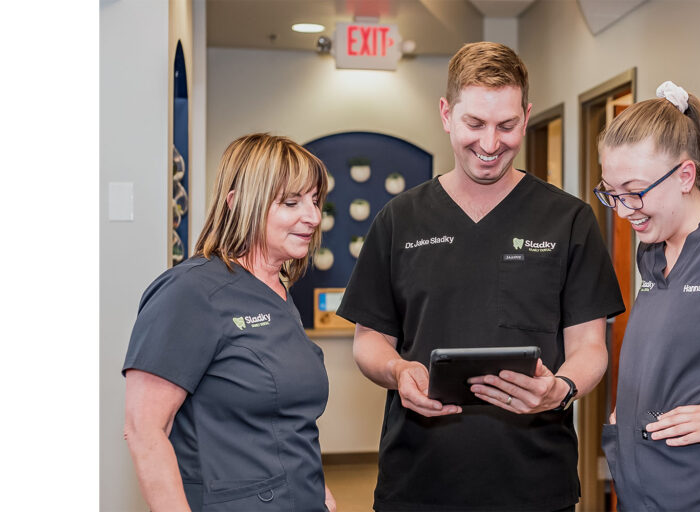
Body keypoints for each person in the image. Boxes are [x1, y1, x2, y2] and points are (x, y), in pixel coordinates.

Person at [336, 41, 625, 511]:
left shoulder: (568, 221)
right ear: (447, 114)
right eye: (475, 124)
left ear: (526, 116)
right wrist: (399, 370)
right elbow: (369, 341)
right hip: (417, 484)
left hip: (535, 486)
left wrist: (562, 387)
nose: (490, 144)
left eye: (506, 125)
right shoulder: (399, 220)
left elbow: (590, 346)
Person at [122, 133, 337, 512]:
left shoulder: (279, 292)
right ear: (238, 204)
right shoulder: (190, 291)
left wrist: (322, 495)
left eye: (315, 201)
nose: (314, 217)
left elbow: (287, 422)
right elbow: (144, 431)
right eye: (292, 202)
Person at [597, 81, 700, 511]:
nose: (622, 210)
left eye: (634, 192)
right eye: (611, 193)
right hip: (648, 490)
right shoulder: (652, 250)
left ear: (686, 176)